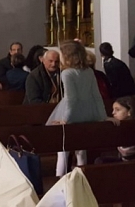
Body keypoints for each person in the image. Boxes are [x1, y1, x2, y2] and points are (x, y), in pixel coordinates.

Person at [47, 40, 107, 176]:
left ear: (67, 56)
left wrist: (65, 119)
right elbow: (97, 96)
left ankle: (60, 183)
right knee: (81, 151)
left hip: (70, 112)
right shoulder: (89, 72)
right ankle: (82, 182)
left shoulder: (67, 73)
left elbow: (71, 98)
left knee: (62, 152)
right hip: (87, 112)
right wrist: (102, 116)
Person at [95, 97, 135, 164]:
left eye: (117, 110)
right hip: (123, 161)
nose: (113, 113)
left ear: (129, 112)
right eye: (113, 110)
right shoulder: (116, 127)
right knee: (99, 161)